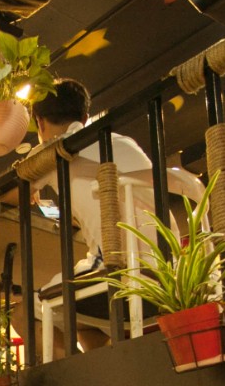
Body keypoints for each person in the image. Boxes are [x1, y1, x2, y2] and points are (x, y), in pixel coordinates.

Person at [32, 78, 206, 352]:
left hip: (121, 272)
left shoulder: (54, 151)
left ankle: (82, 375)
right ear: (84, 117)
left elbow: (9, 196)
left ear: (40, 123)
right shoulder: (123, 142)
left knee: (27, 311)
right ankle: (105, 370)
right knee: (82, 322)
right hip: (171, 277)